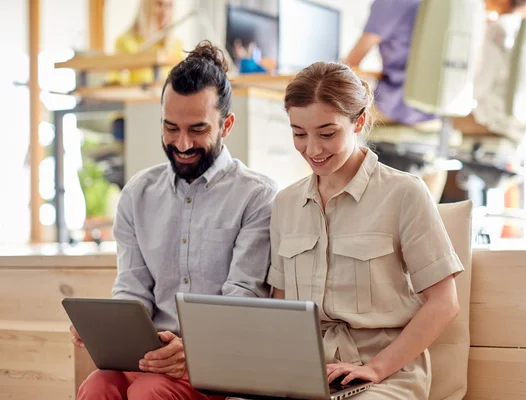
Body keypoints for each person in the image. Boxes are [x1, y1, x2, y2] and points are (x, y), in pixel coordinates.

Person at [71, 41, 278, 400]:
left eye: (197, 129)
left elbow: (242, 301)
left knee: (149, 392)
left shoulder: (257, 197)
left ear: (226, 125)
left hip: (217, 362)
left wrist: (192, 350)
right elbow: (132, 288)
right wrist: (105, 327)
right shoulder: (137, 194)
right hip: (148, 357)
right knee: (97, 386)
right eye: (171, 128)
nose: (182, 143)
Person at [268, 62, 463, 399]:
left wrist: (375, 369)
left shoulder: (404, 194)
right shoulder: (285, 204)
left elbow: (444, 303)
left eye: (327, 134)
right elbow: (281, 307)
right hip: (309, 373)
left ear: (358, 122)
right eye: (299, 134)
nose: (312, 150)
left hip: (385, 374)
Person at [344, 0, 436, 127]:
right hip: (433, 108)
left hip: (397, 105)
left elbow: (350, 64)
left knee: (336, 111)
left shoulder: (389, 2)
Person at [453, 0, 526, 142]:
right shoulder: (521, 29)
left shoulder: (500, 30)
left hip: (490, 127)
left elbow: (475, 88)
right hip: (513, 133)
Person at [107, 0, 184, 86]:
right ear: (146, 6)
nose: (165, 12)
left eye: (169, 6)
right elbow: (117, 82)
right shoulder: (125, 42)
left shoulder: (176, 44)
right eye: (159, 4)